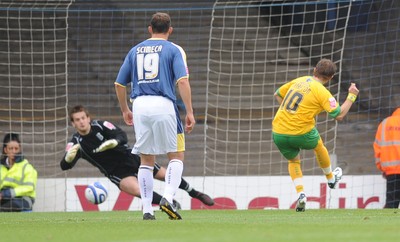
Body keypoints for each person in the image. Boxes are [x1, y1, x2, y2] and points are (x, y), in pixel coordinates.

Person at [114, 12, 195, 220]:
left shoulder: (134, 50)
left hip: (139, 105)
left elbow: (119, 83)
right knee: (176, 155)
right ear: (170, 30)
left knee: (146, 160)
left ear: (150, 29)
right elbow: (183, 81)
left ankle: (147, 209)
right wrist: (189, 112)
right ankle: (167, 197)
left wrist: (125, 109)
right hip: (163, 104)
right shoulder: (174, 49)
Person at [60, 106, 211, 213]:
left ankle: (195, 193)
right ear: (73, 123)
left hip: (130, 158)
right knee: (139, 190)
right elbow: (64, 166)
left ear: (88, 118)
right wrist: (68, 158)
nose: (81, 122)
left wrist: (115, 142)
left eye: (83, 118)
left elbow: (121, 136)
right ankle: (169, 204)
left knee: (166, 175)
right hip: (116, 171)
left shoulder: (100, 125)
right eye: (77, 120)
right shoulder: (76, 143)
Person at [272, 58, 359, 212]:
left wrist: (292, 113)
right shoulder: (322, 92)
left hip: (278, 132)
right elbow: (339, 115)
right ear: (331, 77)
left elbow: (278, 94)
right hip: (301, 132)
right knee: (319, 146)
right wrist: (351, 96)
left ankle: (301, 194)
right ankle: (331, 179)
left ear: (314, 70)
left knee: (293, 161)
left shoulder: (299, 80)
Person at [0, 133, 38, 212]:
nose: (14, 151)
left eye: (16, 148)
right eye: (11, 148)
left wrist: (7, 193)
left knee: (6, 208)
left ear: (20, 149)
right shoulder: (1, 167)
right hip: (4, 198)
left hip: (23, 199)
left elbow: (29, 188)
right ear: (5, 150)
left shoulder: (27, 167)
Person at [373, 107, 400, 209]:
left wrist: (382, 167)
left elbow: (377, 147)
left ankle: (389, 224)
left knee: (391, 203)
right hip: (391, 170)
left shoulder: (384, 124)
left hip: (391, 171)